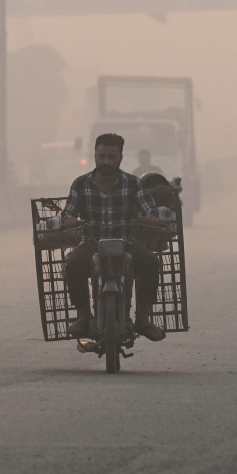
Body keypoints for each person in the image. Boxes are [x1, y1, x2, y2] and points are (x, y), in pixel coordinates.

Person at [61, 133, 166, 341]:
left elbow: (148, 207)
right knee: (72, 265)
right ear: (94, 155)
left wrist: (151, 217)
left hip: (128, 243)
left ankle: (143, 320)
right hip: (91, 243)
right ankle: (83, 317)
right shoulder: (80, 184)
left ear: (120, 157)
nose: (106, 161)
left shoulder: (133, 183)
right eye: (102, 156)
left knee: (152, 264)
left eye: (111, 156)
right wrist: (68, 220)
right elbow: (68, 212)